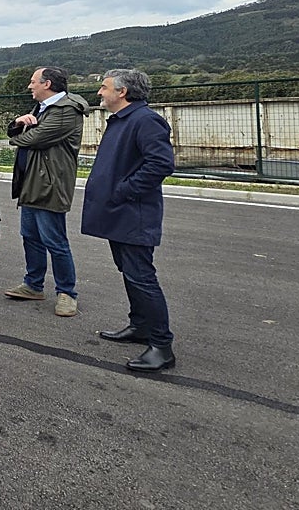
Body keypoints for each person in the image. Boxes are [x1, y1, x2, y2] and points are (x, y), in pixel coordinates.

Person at [82, 69, 177, 373]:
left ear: (122, 92)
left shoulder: (145, 120)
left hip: (132, 213)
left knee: (141, 276)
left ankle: (162, 346)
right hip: (119, 213)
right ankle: (140, 327)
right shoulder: (124, 119)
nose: (100, 92)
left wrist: (124, 190)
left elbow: (161, 163)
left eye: (104, 87)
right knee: (129, 271)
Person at [3, 67, 90, 317]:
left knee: (55, 240)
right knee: (30, 235)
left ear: (47, 83)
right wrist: (18, 123)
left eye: (33, 82)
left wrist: (21, 132)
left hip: (50, 185)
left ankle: (66, 293)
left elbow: (34, 138)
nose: (30, 86)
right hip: (32, 183)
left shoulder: (66, 110)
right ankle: (33, 285)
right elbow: (19, 131)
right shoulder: (42, 108)